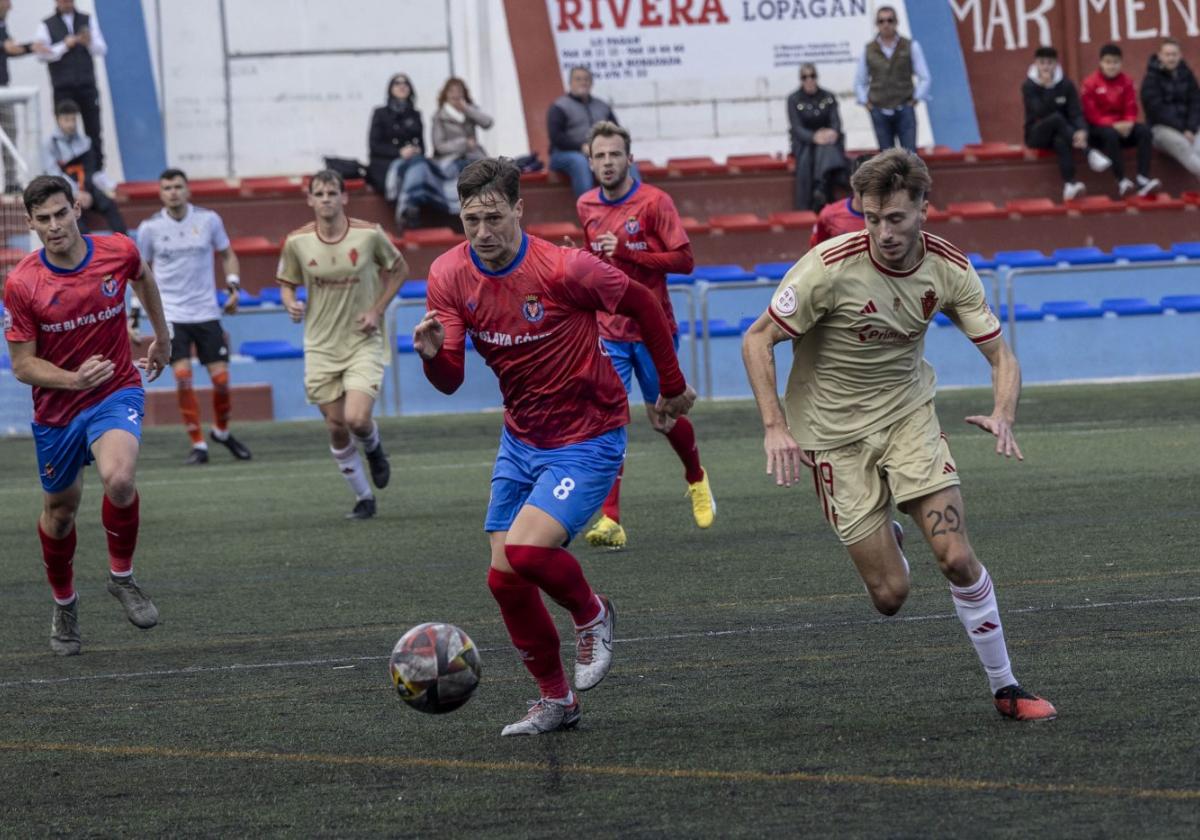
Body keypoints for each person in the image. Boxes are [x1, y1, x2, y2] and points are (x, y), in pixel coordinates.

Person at [741, 149, 1057, 722]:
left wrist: (1004, 412)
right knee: (890, 598)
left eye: (895, 219)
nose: (883, 233)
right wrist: (774, 428)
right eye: (871, 219)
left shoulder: (949, 269)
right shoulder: (827, 267)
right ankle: (886, 531)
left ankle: (1006, 686)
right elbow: (757, 339)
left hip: (909, 420)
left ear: (922, 211)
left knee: (957, 557)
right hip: (833, 437)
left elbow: (1000, 355)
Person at [414, 157, 696, 735]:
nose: (484, 233)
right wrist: (431, 355)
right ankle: (557, 701)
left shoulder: (565, 268)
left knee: (526, 552)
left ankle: (593, 615)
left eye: (494, 217)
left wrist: (670, 388)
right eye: (471, 221)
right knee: (503, 579)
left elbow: (642, 303)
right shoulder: (447, 276)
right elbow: (451, 379)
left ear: (518, 209)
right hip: (521, 439)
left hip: (588, 435)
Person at [2, 174, 171, 656]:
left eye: (61, 213)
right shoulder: (22, 284)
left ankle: (122, 577)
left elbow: (143, 276)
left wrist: (164, 335)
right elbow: (22, 365)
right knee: (60, 514)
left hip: (115, 390)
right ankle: (65, 602)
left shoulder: (117, 249)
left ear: (77, 209)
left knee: (119, 479)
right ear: (31, 223)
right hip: (58, 408)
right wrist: (74, 379)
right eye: (44, 219)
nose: (55, 226)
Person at [575, 120, 714, 549]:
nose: (608, 162)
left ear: (630, 158)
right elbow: (599, 264)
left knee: (665, 417)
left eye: (615, 154)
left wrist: (633, 252)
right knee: (608, 419)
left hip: (652, 329)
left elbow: (685, 261)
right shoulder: (585, 205)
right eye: (600, 155)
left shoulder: (655, 202)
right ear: (590, 160)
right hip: (608, 330)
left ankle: (695, 476)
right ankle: (610, 518)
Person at [276, 169, 406, 520]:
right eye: (319, 194)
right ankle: (364, 498)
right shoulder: (297, 241)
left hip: (362, 340)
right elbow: (286, 282)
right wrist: (290, 301)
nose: (326, 199)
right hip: (320, 345)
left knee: (357, 418)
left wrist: (377, 310)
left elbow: (399, 269)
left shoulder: (368, 235)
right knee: (335, 425)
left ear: (344, 197)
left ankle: (375, 447)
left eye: (332, 193)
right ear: (310, 200)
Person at [134, 167, 252, 465]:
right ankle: (198, 443)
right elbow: (139, 273)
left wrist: (234, 287)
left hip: (206, 311)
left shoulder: (209, 220)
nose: (173, 192)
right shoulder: (150, 229)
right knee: (184, 377)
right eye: (167, 188)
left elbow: (227, 254)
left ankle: (222, 432)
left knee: (222, 380)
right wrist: (134, 316)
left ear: (187, 190)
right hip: (172, 314)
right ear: (160, 194)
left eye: (177, 186)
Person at [32, 0, 106, 170]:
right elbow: (41, 54)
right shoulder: (46, 24)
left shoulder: (87, 19)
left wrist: (88, 42)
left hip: (87, 84)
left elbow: (101, 49)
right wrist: (64, 45)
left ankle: (96, 170)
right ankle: (66, 170)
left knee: (93, 129)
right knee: (64, 131)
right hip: (62, 87)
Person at [1082, 43, 1160, 197]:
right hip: (1099, 130)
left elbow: (1131, 106)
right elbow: (1091, 114)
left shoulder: (1127, 81)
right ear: (1101, 63)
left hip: (1123, 127)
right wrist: (1113, 125)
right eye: (1108, 62)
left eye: (1116, 62)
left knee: (1144, 131)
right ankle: (1122, 180)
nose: (1112, 66)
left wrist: (1129, 122)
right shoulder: (1090, 83)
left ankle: (1143, 178)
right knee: (1110, 134)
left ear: (1121, 63)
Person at [42, 98, 124, 233]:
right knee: (73, 217)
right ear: (57, 120)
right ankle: (90, 251)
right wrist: (75, 193)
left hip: (87, 189)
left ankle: (124, 243)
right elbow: (54, 174)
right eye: (66, 120)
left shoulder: (85, 142)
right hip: (65, 192)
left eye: (74, 119)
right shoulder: (50, 144)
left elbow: (91, 171)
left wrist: (104, 188)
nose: (71, 124)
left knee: (109, 204)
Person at [854, 6, 930, 152]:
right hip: (879, 111)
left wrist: (915, 99)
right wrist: (867, 103)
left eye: (890, 20)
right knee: (886, 160)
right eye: (881, 21)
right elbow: (859, 81)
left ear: (896, 22)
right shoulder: (868, 49)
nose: (886, 24)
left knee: (910, 157)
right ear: (877, 24)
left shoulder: (910, 46)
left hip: (904, 109)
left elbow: (925, 77)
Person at [1022, 46, 1088, 202]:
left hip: (1061, 134)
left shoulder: (1066, 84)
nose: (1046, 67)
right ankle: (1088, 151)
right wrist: (1047, 88)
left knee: (1060, 141)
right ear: (1036, 64)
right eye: (1042, 63)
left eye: (1050, 63)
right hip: (1036, 135)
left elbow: (1075, 112)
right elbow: (1040, 112)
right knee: (1056, 118)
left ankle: (1070, 184)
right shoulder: (1029, 86)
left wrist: (1082, 131)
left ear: (1056, 64)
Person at [548, 66, 618, 197]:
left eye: (586, 79)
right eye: (578, 79)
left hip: (598, 153)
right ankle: (589, 211)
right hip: (564, 154)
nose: (583, 82)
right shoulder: (559, 106)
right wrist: (581, 147)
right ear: (570, 83)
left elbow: (616, 132)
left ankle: (635, 208)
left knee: (625, 161)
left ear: (591, 83)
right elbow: (556, 137)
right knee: (579, 161)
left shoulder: (602, 106)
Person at [788, 63, 849, 211]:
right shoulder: (793, 99)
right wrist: (814, 136)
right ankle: (821, 187)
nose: (809, 80)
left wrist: (831, 133)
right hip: (805, 142)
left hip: (828, 140)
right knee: (814, 150)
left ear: (817, 77)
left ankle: (819, 188)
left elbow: (836, 122)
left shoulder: (828, 96)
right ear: (800, 80)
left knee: (825, 147)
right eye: (805, 77)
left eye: (812, 76)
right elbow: (796, 127)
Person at [1140, 38, 1200, 178]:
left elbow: (1196, 103)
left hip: (1190, 129)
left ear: (1180, 56)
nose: (1171, 58)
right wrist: (1182, 129)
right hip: (1161, 129)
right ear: (1160, 56)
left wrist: (1190, 128)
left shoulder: (1187, 75)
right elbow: (1156, 110)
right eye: (1167, 55)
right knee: (1183, 145)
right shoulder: (1151, 79)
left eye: (1174, 54)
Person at [367, 73, 423, 196]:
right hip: (385, 163)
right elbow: (374, 145)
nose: (402, 86)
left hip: (411, 162)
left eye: (405, 83)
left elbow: (422, 145)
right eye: (397, 83)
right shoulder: (380, 113)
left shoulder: (415, 114)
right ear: (390, 89)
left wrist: (416, 150)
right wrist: (399, 152)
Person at [0, 0, 34, 191]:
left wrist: (31, 47)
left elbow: (10, 49)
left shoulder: (3, 24)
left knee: (10, 133)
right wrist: (4, 47)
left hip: (3, 88)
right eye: (6, 2)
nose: (10, 7)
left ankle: (11, 181)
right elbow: (6, 47)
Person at [431, 77, 493, 176]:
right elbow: (439, 146)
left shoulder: (470, 111)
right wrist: (464, 143)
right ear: (445, 94)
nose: (455, 95)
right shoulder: (439, 117)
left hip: (474, 156)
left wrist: (467, 109)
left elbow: (488, 123)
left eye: (459, 91)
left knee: (490, 174)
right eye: (451, 91)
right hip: (451, 159)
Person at [809, 154, 871, 248]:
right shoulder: (829, 214)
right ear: (852, 181)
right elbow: (815, 252)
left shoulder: (891, 214)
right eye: (863, 182)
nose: (869, 188)